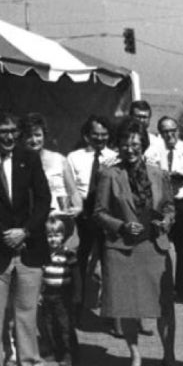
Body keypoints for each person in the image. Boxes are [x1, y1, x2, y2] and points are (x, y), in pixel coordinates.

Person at [94, 118, 177, 366]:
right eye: (125, 144)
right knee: (127, 305)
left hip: (154, 247)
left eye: (135, 144)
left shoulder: (158, 173)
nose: (130, 149)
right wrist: (120, 226)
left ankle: (169, 355)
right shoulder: (109, 174)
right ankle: (135, 354)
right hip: (123, 249)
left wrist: (166, 220)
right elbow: (98, 212)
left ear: (143, 145)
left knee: (164, 306)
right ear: (117, 145)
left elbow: (169, 206)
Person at [0, 109, 55, 366]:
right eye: (4, 132)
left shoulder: (29, 159)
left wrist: (25, 231)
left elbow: (44, 200)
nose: (11, 137)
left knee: (26, 311)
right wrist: (2, 235)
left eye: (14, 131)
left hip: (28, 247)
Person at [67, 116, 118, 321]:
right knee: (79, 261)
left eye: (104, 134)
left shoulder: (115, 157)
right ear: (87, 136)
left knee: (109, 261)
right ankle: (76, 307)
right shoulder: (74, 157)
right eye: (96, 134)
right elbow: (70, 188)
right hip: (82, 213)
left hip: (106, 213)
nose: (100, 138)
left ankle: (113, 314)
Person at [148, 116, 183, 302]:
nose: (169, 135)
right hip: (163, 204)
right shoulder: (154, 151)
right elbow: (149, 174)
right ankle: (160, 288)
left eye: (173, 130)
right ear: (160, 133)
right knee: (160, 247)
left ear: (178, 131)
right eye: (165, 131)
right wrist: (165, 177)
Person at [37, 217, 81, 366]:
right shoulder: (44, 253)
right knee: (49, 323)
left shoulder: (68, 254)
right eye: (49, 236)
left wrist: (77, 294)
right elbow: (41, 275)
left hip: (64, 293)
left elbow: (76, 275)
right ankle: (54, 349)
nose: (53, 239)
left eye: (56, 235)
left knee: (65, 324)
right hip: (48, 292)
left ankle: (69, 352)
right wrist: (39, 293)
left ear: (63, 236)